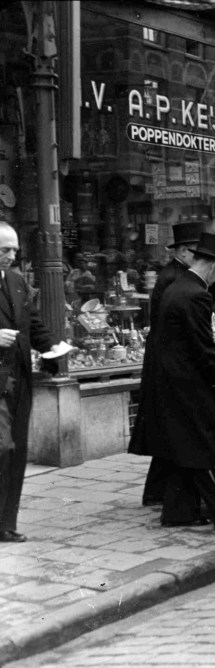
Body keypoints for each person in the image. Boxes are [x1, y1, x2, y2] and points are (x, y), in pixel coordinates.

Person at [142, 233, 215, 532]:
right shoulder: (197, 294)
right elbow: (203, 347)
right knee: (205, 448)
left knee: (183, 449)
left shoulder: (177, 287)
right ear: (212, 267)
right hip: (189, 384)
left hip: (172, 382)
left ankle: (178, 512)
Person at [129, 221, 204, 508]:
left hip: (162, 358)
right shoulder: (175, 278)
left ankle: (156, 492)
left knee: (166, 432)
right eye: (197, 252)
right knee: (170, 430)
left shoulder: (175, 273)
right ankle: (161, 493)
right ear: (184, 251)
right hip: (168, 360)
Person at [0, 223, 62, 542]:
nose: (11, 256)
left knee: (17, 451)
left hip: (18, 380)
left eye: (13, 250)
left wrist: (51, 346)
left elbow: (32, 322)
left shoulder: (17, 281)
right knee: (3, 447)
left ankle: (6, 524)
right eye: (4, 250)